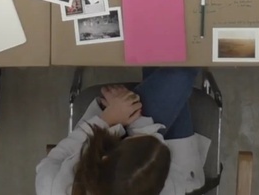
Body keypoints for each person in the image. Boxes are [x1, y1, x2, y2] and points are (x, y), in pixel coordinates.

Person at [37, 67, 210, 195]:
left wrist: (109, 118)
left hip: (104, 135)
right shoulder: (171, 186)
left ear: (105, 157)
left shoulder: (52, 186)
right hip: (178, 170)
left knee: (169, 64)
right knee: (177, 72)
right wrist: (134, 115)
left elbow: (59, 155)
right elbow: (152, 147)